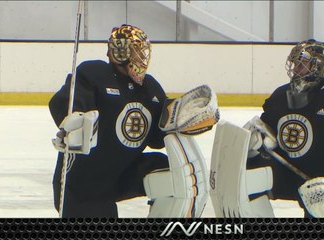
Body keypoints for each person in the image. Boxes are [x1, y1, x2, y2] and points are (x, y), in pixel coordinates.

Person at [49, 24, 218, 218]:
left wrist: (186, 122)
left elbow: (157, 138)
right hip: (84, 184)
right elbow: (68, 100)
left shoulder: (150, 88)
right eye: (137, 51)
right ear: (120, 52)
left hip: (123, 171)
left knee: (179, 174)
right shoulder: (94, 74)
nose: (143, 57)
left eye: (143, 51)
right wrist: (73, 119)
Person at [210, 39, 324, 218]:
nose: (296, 69)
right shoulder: (280, 96)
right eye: (295, 64)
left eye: (302, 64)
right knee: (246, 183)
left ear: (317, 66)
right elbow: (268, 138)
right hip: (289, 176)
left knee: (322, 211)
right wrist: (253, 147)